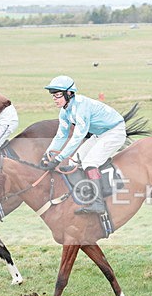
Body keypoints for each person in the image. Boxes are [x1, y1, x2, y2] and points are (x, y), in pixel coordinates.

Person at [40, 75, 126, 215]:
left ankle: (98, 204)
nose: (54, 99)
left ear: (69, 93)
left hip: (114, 132)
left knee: (89, 163)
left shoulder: (81, 106)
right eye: (53, 96)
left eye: (57, 95)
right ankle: (83, 194)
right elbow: (61, 136)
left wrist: (58, 159)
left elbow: (78, 137)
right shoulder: (64, 111)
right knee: (74, 161)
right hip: (100, 135)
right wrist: (48, 154)